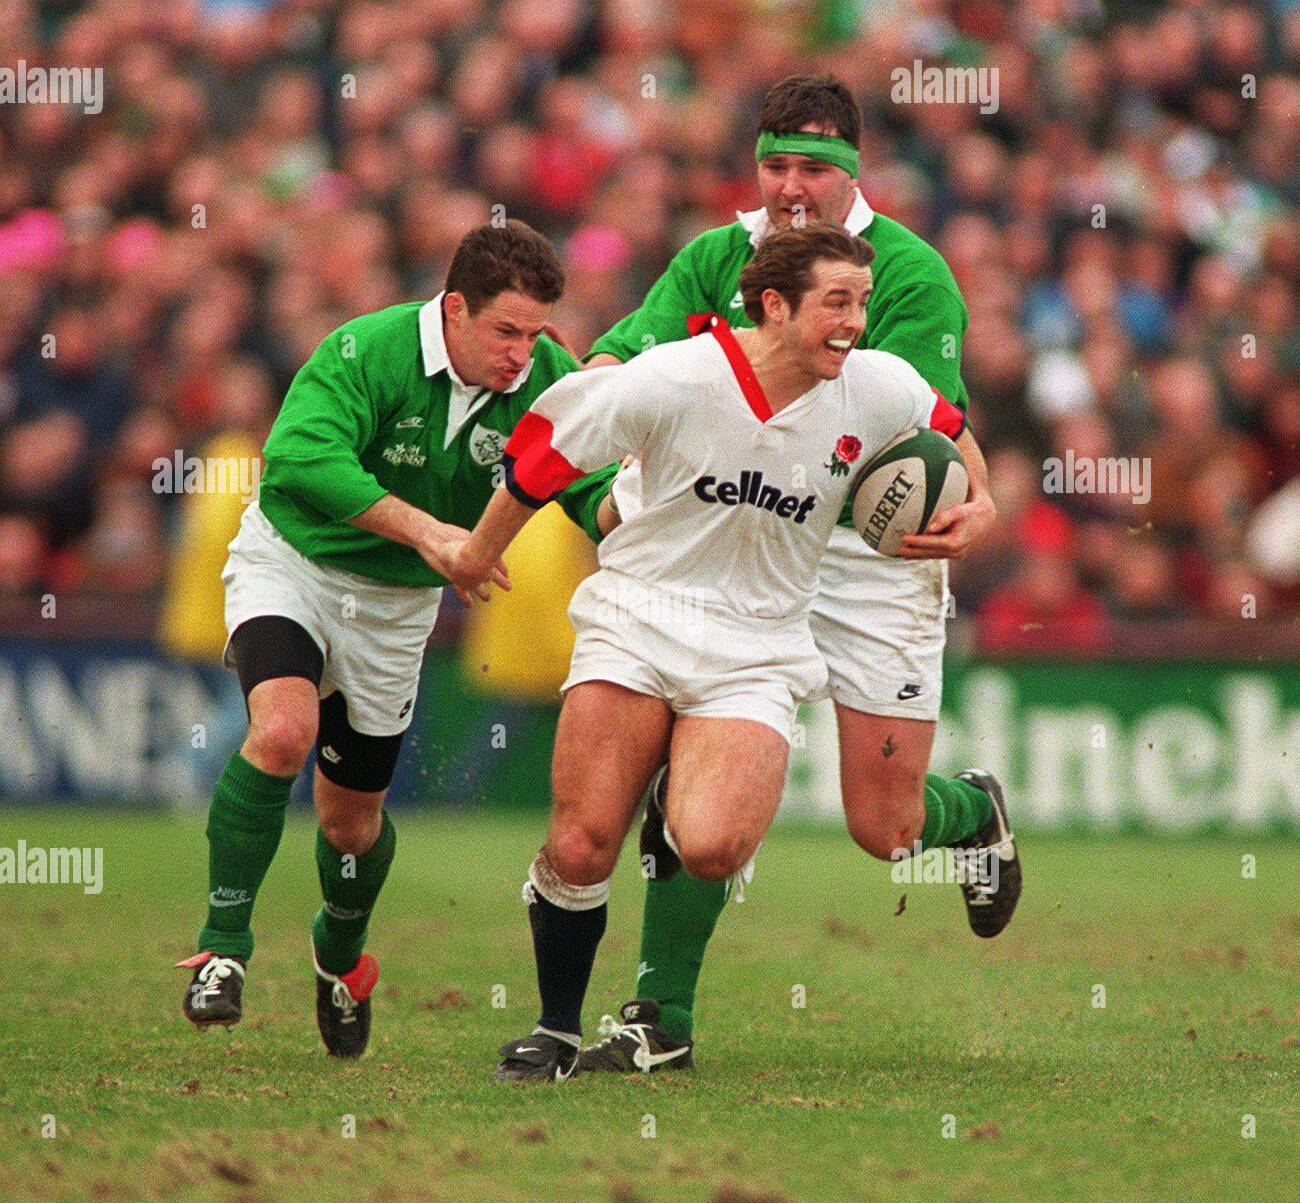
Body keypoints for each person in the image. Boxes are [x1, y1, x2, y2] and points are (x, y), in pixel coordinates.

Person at [563, 74, 1023, 1073]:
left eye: (812, 167)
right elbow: (615, 368)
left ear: (852, 173)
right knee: (689, 784)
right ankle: (660, 1019)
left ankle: (971, 813)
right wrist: (594, 456)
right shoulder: (711, 258)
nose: (788, 185)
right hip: (744, 548)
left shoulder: (907, 273)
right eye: (774, 163)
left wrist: (976, 497)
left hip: (867, 557)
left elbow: (932, 427)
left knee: (883, 824)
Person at [442, 222, 975, 1082]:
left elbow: (949, 429)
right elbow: (544, 449)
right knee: (580, 848)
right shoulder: (678, 376)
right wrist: (476, 551)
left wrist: (976, 504)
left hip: (758, 644)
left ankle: (675, 787)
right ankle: (556, 1028)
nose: (854, 322)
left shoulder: (878, 389)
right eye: (837, 303)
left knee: (713, 846)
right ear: (775, 304)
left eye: (863, 304)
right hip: (640, 617)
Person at [175, 220, 603, 1057]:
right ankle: (222, 951)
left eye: (537, 333)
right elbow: (299, 457)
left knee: (351, 826)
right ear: (453, 310)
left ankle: (339, 956)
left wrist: (633, 523)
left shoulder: (547, 379)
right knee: (282, 731)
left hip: (395, 610)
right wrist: (427, 532)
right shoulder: (366, 349)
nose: (523, 353)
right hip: (293, 565)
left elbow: (585, 488)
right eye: (505, 331)